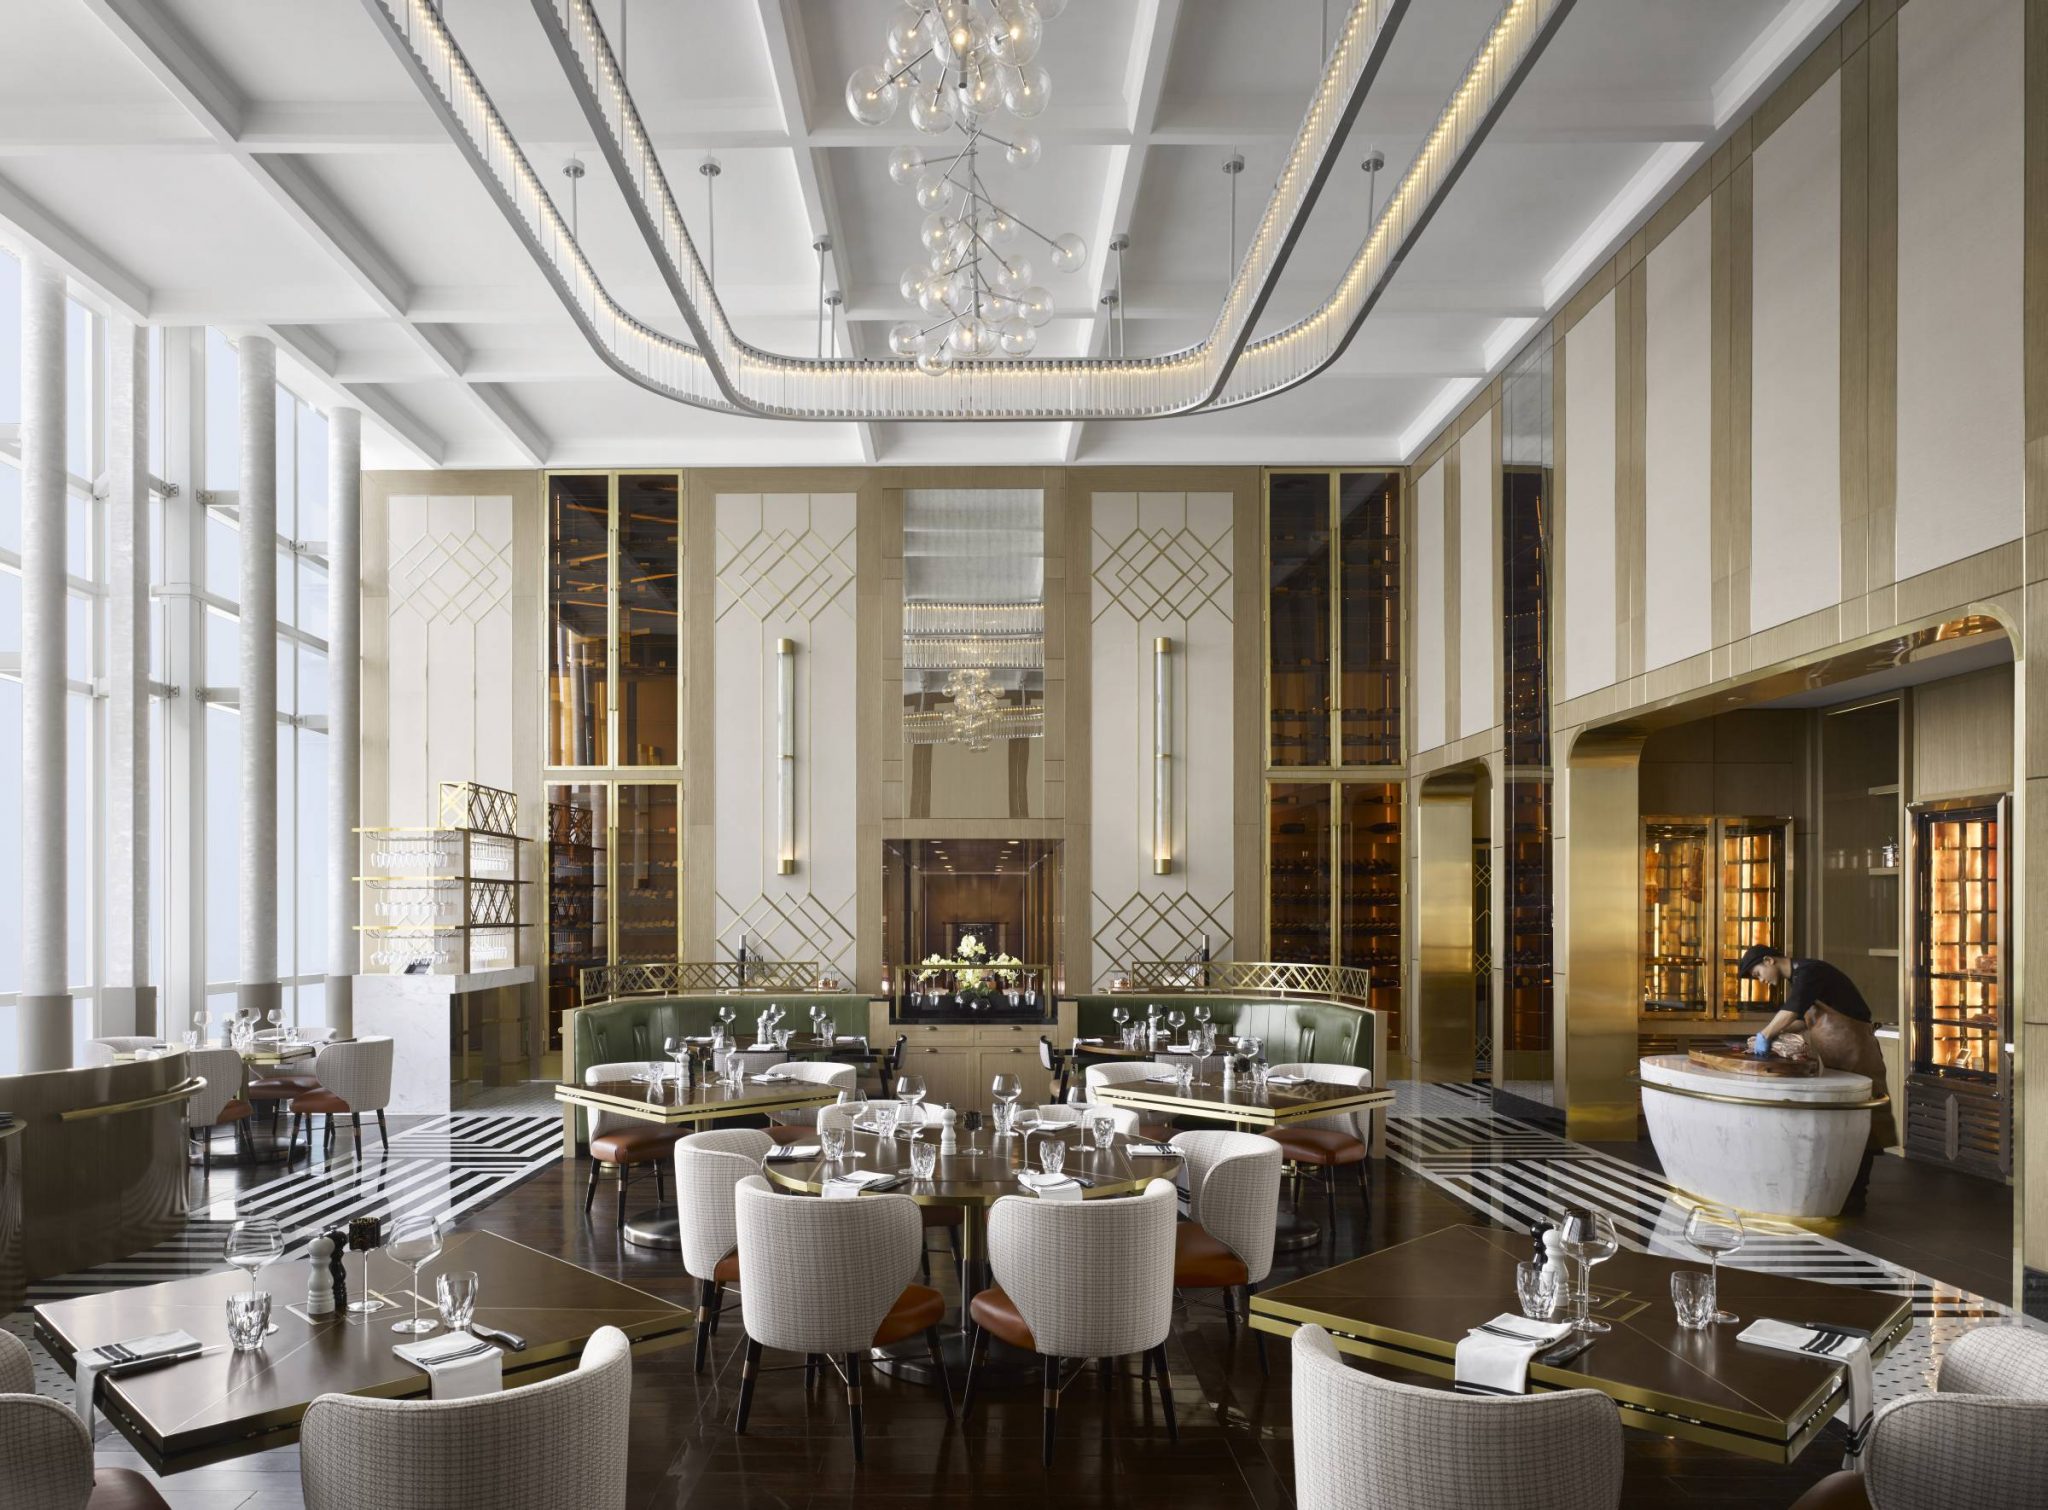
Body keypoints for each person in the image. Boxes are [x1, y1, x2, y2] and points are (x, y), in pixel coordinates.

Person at [1738, 945, 1897, 1211]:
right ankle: (1839, 1191)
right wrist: (1770, 1035)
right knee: (1842, 1122)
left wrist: (1767, 1033)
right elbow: (1802, 1019)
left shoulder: (1811, 972)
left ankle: (1857, 1196)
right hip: (1838, 1058)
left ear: (1769, 960)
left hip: (1858, 1055)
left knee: (1864, 1121)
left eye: (1758, 973)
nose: (1761, 980)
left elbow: (1792, 1010)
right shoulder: (1801, 978)